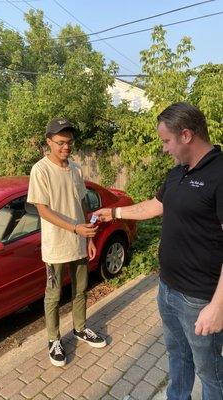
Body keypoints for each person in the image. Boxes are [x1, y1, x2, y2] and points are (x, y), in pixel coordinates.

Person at [95, 102, 223, 400]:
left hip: (200, 298)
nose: (164, 148)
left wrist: (218, 306)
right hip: (167, 289)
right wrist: (113, 214)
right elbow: (155, 206)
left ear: (187, 135)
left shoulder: (220, 174)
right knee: (177, 357)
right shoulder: (178, 172)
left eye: (167, 141)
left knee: (211, 373)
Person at [27, 117, 106, 367]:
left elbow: (81, 202)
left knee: (81, 289)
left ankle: (80, 328)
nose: (66, 147)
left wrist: (89, 237)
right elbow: (43, 210)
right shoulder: (40, 170)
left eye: (70, 142)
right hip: (55, 248)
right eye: (61, 142)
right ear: (48, 142)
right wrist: (74, 228)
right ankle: (54, 340)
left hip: (80, 241)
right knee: (53, 295)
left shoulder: (75, 169)